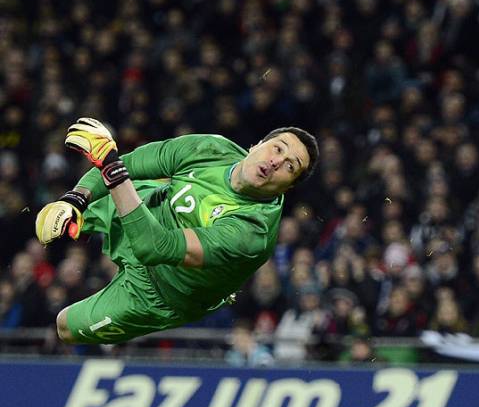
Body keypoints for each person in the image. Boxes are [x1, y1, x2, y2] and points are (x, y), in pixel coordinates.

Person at [34, 118, 318, 344]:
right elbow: (127, 164)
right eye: (278, 148)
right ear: (256, 145)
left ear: (287, 187)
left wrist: (111, 168)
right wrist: (76, 198)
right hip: (150, 204)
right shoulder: (211, 148)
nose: (277, 161)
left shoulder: (252, 232)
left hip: (160, 293)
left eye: (290, 166)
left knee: (65, 327)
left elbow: (156, 248)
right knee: (54, 216)